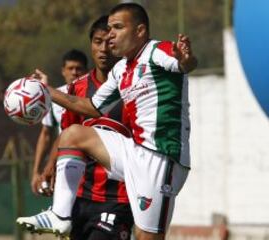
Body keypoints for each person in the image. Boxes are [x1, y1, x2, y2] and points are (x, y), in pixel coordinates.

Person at [20, 3, 197, 240]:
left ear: (140, 31)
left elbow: (183, 64)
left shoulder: (157, 51)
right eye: (109, 28)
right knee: (73, 134)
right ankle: (60, 216)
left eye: (117, 27)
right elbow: (90, 107)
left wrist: (186, 59)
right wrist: (46, 90)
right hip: (134, 151)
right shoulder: (121, 69)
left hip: (161, 158)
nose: (110, 34)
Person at [21, 15, 134, 240]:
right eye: (97, 42)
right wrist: (49, 168)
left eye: (108, 43)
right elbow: (66, 135)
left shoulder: (132, 87)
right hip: (81, 195)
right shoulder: (76, 90)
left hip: (119, 197)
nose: (103, 49)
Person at [31, 49, 88, 194]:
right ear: (63, 71)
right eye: (70, 68)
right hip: (64, 161)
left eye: (79, 68)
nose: (74, 72)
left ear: (86, 70)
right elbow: (46, 134)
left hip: (91, 163)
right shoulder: (53, 96)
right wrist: (36, 171)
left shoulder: (93, 95)